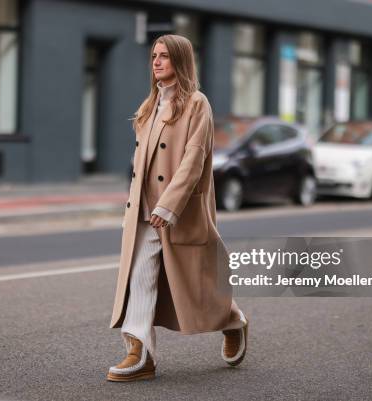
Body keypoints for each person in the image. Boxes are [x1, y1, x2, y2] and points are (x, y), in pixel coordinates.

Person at [107, 34, 248, 382]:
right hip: (143, 210)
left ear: (181, 62)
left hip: (178, 212)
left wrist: (169, 205)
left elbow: (193, 159)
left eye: (165, 57)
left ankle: (233, 322)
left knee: (196, 285)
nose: (156, 62)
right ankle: (139, 353)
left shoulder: (197, 104)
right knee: (139, 277)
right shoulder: (148, 106)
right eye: (154, 56)